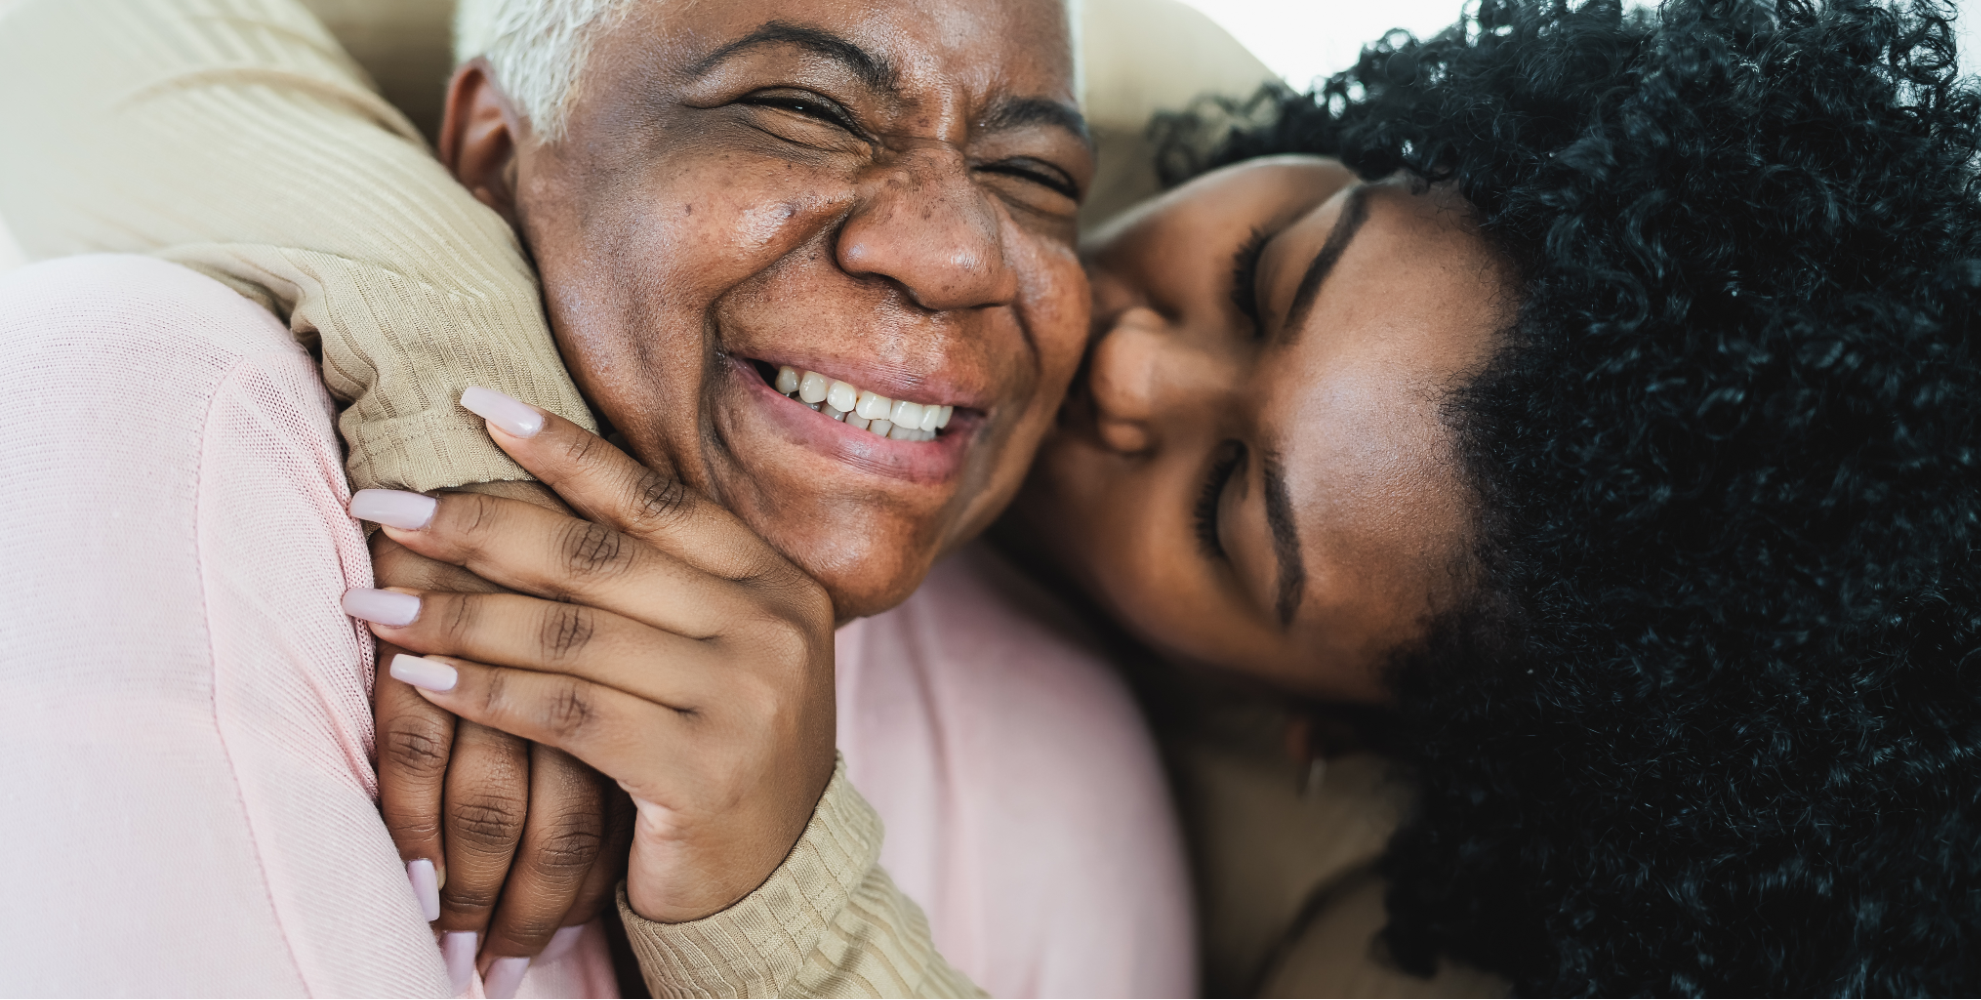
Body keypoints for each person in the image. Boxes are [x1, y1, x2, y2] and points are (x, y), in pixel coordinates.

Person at [0, 0, 1198, 996]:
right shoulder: (176, 426)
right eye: (805, 111)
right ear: (490, 152)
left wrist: (789, 918)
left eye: (1034, 174)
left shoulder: (1061, 744)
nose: (958, 255)